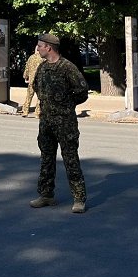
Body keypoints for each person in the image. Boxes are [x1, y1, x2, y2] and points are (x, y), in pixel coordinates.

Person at [29, 33, 90, 213]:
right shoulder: (42, 67)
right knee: (46, 159)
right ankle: (46, 195)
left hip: (65, 122)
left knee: (70, 159)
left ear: (49, 47)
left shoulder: (67, 67)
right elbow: (36, 87)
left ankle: (79, 199)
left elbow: (82, 91)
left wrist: (66, 104)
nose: (38, 48)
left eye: (40, 46)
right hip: (46, 122)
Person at [21, 52, 43, 117]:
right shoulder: (43, 58)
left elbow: (27, 68)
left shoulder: (31, 57)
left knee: (29, 96)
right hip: (40, 81)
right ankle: (37, 113)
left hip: (31, 81)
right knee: (40, 98)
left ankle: (25, 111)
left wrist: (25, 76)